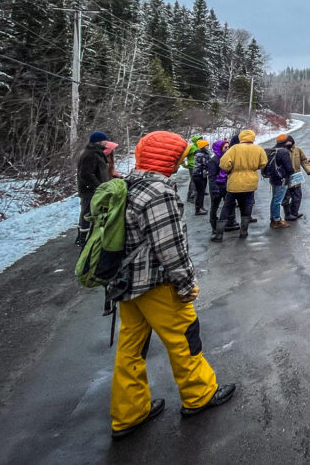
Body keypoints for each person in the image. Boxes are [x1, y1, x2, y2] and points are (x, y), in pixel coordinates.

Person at [110, 130, 236, 440]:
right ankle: (200, 394)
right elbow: (170, 247)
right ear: (167, 159)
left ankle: (129, 412)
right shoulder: (158, 192)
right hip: (156, 283)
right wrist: (186, 283)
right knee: (185, 338)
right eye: (178, 157)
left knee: (131, 348)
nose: (181, 162)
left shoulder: (128, 184)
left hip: (127, 284)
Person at [215, 129, 267, 241]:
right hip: (250, 183)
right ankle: (244, 232)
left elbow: (224, 164)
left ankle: (219, 234)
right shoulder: (258, 149)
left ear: (241, 137)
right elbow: (263, 163)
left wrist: (232, 169)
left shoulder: (234, 149)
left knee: (227, 207)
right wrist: (253, 168)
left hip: (235, 182)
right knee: (247, 206)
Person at [77, 131, 112, 246]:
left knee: (91, 213)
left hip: (96, 190)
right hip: (90, 191)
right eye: (104, 140)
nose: (106, 142)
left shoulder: (97, 153)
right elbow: (86, 175)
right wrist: (99, 186)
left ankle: (88, 236)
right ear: (98, 141)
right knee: (87, 214)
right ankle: (83, 238)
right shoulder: (90, 154)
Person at [207, 139, 237, 235]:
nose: (227, 149)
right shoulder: (213, 160)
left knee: (230, 204)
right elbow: (211, 177)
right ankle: (214, 227)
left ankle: (230, 223)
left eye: (228, 147)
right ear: (219, 148)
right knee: (215, 206)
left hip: (226, 185)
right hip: (217, 186)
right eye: (225, 147)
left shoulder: (228, 158)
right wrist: (214, 189)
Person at [267, 135, 295, 229]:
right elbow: (289, 167)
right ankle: (276, 220)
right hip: (282, 179)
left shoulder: (274, 150)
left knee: (274, 199)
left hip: (274, 178)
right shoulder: (283, 151)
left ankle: (273, 218)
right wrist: (292, 171)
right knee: (278, 200)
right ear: (287, 142)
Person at [282, 135, 310, 221]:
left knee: (297, 196)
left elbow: (303, 160)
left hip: (296, 177)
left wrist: (308, 170)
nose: (288, 144)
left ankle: (294, 213)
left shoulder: (297, 150)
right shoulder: (282, 151)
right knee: (286, 197)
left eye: (290, 142)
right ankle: (287, 214)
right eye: (286, 142)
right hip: (286, 178)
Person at [191, 139, 211, 216]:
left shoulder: (204, 153)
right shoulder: (200, 154)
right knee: (200, 192)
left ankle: (200, 207)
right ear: (202, 146)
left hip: (202, 175)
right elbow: (205, 164)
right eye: (206, 145)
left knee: (201, 192)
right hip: (199, 175)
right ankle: (198, 209)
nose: (208, 147)